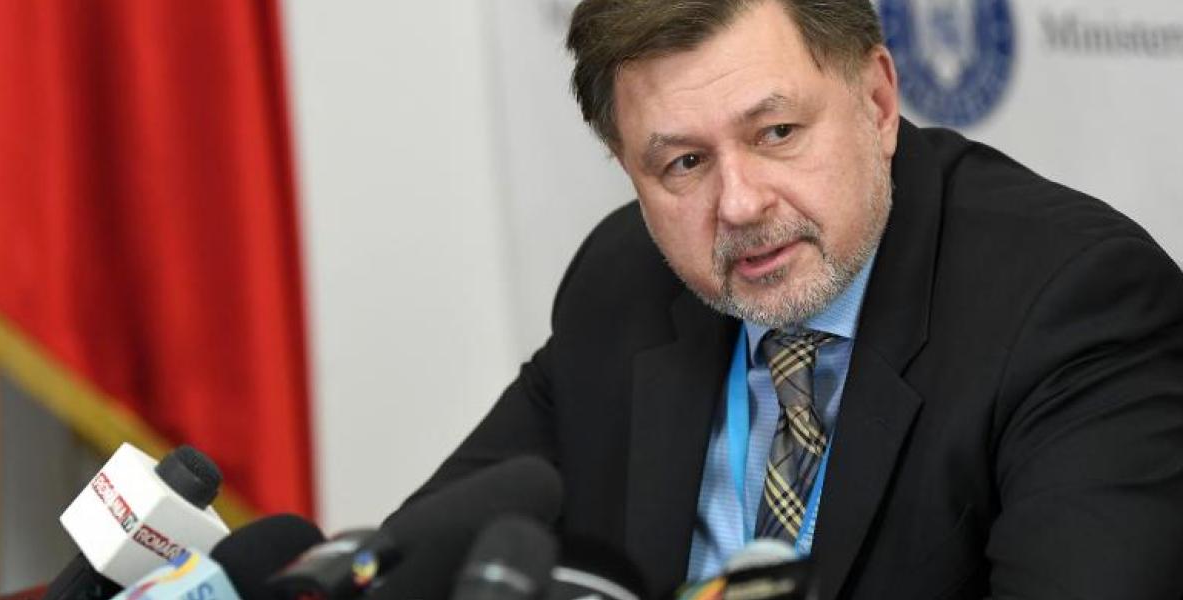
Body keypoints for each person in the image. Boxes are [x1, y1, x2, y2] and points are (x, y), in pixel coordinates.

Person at [403, 1, 1183, 598]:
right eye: (684, 163)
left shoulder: (1075, 307)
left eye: (776, 132)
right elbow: (407, 563)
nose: (740, 205)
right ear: (627, 167)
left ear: (878, 102)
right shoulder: (624, 280)